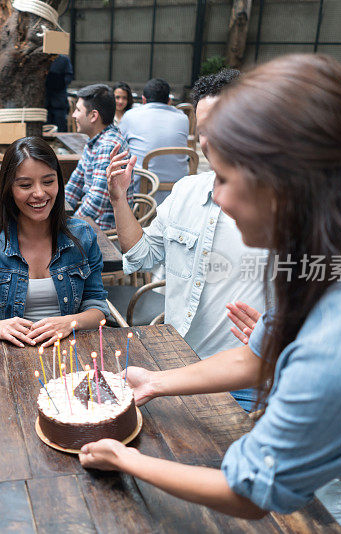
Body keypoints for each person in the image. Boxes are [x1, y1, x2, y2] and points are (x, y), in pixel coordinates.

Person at [80, 54, 341, 533]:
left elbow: (246, 492)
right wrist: (156, 382)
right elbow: (258, 354)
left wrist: (123, 458)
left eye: (224, 177)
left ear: (280, 184)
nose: (215, 197)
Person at [107, 68, 265, 411]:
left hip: (246, 383)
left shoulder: (289, 210)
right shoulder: (186, 192)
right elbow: (142, 256)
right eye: (204, 131)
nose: (211, 140)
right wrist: (120, 200)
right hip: (174, 367)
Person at [0, 137, 109, 347]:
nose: (39, 193)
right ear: (8, 188)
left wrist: (69, 323)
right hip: (6, 358)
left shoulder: (83, 236)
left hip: (69, 355)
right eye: (25, 185)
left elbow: (98, 308)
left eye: (48, 182)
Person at [65, 84, 133, 230]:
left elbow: (96, 202)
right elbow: (74, 186)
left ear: (93, 116)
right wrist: (57, 213)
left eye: (78, 110)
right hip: (92, 224)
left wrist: (68, 228)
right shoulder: (94, 141)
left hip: (105, 232)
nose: (74, 115)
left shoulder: (107, 145)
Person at [117, 77, 189, 189]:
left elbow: (118, 147)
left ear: (143, 100)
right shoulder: (183, 118)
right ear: (169, 101)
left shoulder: (130, 116)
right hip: (178, 189)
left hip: (142, 191)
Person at [45, 55, 74, 132]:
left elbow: (69, 76)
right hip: (44, 98)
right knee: (45, 123)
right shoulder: (42, 58)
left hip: (59, 98)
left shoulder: (63, 59)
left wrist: (59, 83)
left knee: (60, 121)